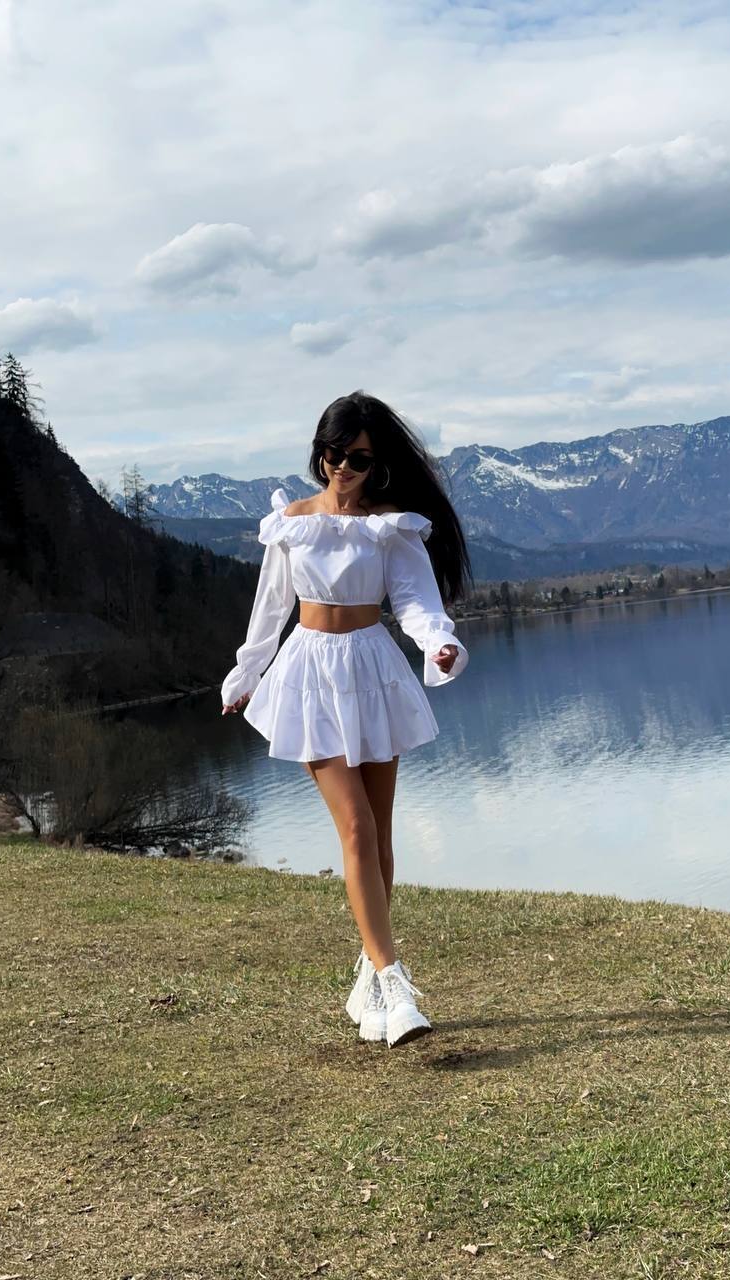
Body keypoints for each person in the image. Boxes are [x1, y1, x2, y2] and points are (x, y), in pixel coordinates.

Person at [220, 391, 472, 1047]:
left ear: (376, 460)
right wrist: (245, 677)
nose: (342, 467)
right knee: (356, 827)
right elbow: (270, 610)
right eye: (333, 454)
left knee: (379, 837)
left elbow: (416, 603)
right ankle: (392, 982)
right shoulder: (290, 524)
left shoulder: (390, 528)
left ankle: (367, 977)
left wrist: (437, 643)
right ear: (319, 452)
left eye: (357, 457)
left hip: (371, 671)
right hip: (307, 675)